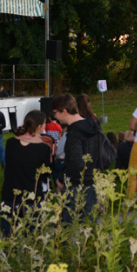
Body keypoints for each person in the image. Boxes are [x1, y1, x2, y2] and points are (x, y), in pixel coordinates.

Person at [0, 110, 53, 236]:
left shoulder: (11, 143)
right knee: (31, 238)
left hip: (10, 195)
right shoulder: (43, 148)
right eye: (45, 124)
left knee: (9, 236)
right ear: (39, 127)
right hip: (32, 197)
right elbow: (46, 173)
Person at [51, 94, 102, 222]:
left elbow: (76, 163)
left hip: (77, 185)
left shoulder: (74, 133)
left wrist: (61, 178)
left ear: (65, 111)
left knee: (67, 229)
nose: (54, 116)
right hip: (93, 181)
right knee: (89, 226)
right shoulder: (91, 123)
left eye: (55, 112)